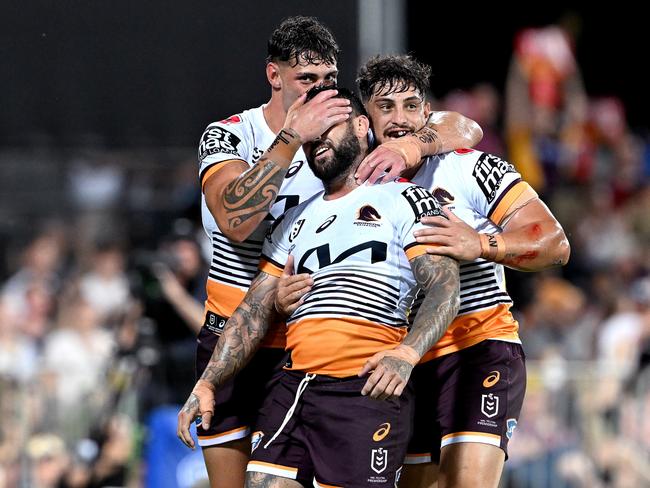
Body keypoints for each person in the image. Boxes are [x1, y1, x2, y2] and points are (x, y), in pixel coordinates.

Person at [188, 16, 482, 487]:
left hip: (312, 340)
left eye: (328, 80)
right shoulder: (232, 135)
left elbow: (463, 127)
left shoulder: (338, 138)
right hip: (236, 328)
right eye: (306, 80)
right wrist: (291, 138)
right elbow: (236, 220)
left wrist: (412, 148)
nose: (319, 93)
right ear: (274, 75)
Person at [277, 55, 571, 488]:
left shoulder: (468, 166)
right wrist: (292, 294)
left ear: (427, 112)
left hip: (479, 346)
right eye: (386, 107)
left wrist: (483, 244)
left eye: (411, 106)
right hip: (402, 360)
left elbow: (554, 244)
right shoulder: (355, 181)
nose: (400, 120)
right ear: (365, 119)